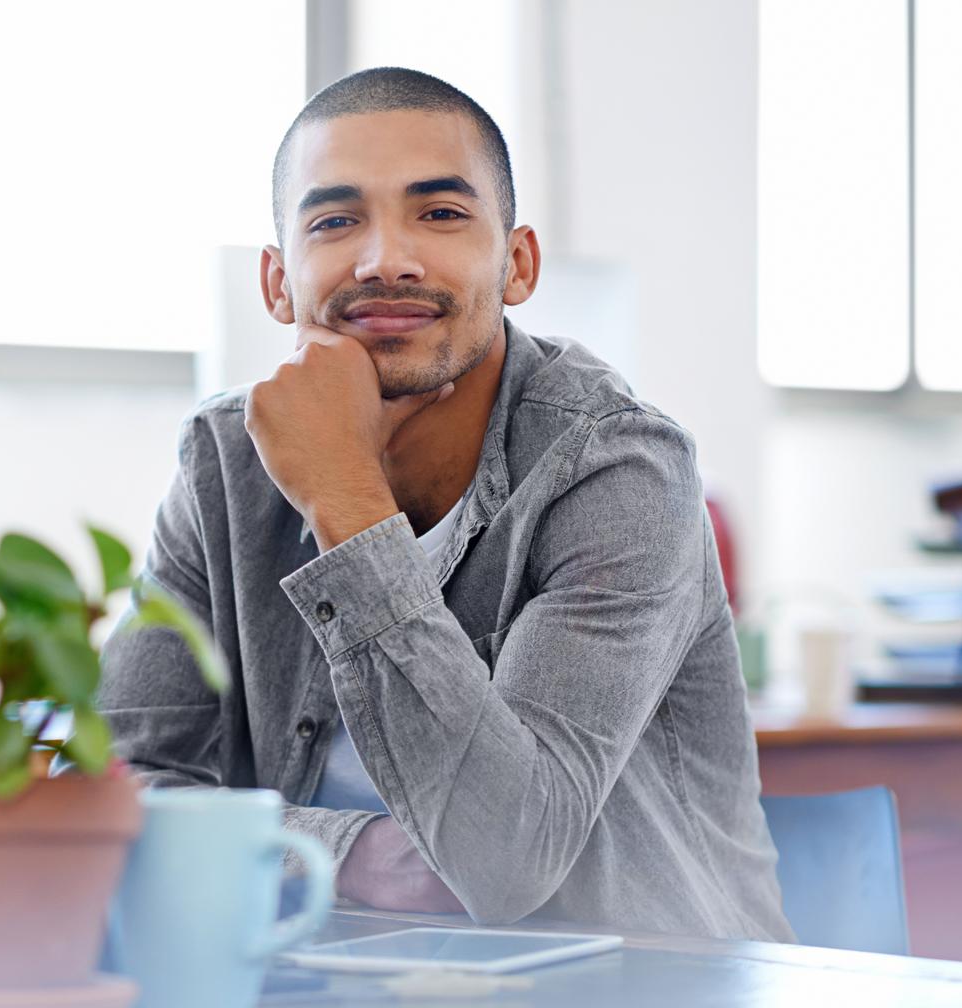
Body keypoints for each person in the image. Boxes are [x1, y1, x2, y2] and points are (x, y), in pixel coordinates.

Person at [98, 67, 791, 942]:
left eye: (441, 213)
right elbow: (112, 784)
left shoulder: (619, 467)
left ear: (518, 264)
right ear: (278, 281)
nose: (386, 259)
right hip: (321, 975)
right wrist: (342, 853)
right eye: (336, 220)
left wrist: (343, 493)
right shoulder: (223, 461)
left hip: (636, 986)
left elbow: (506, 858)